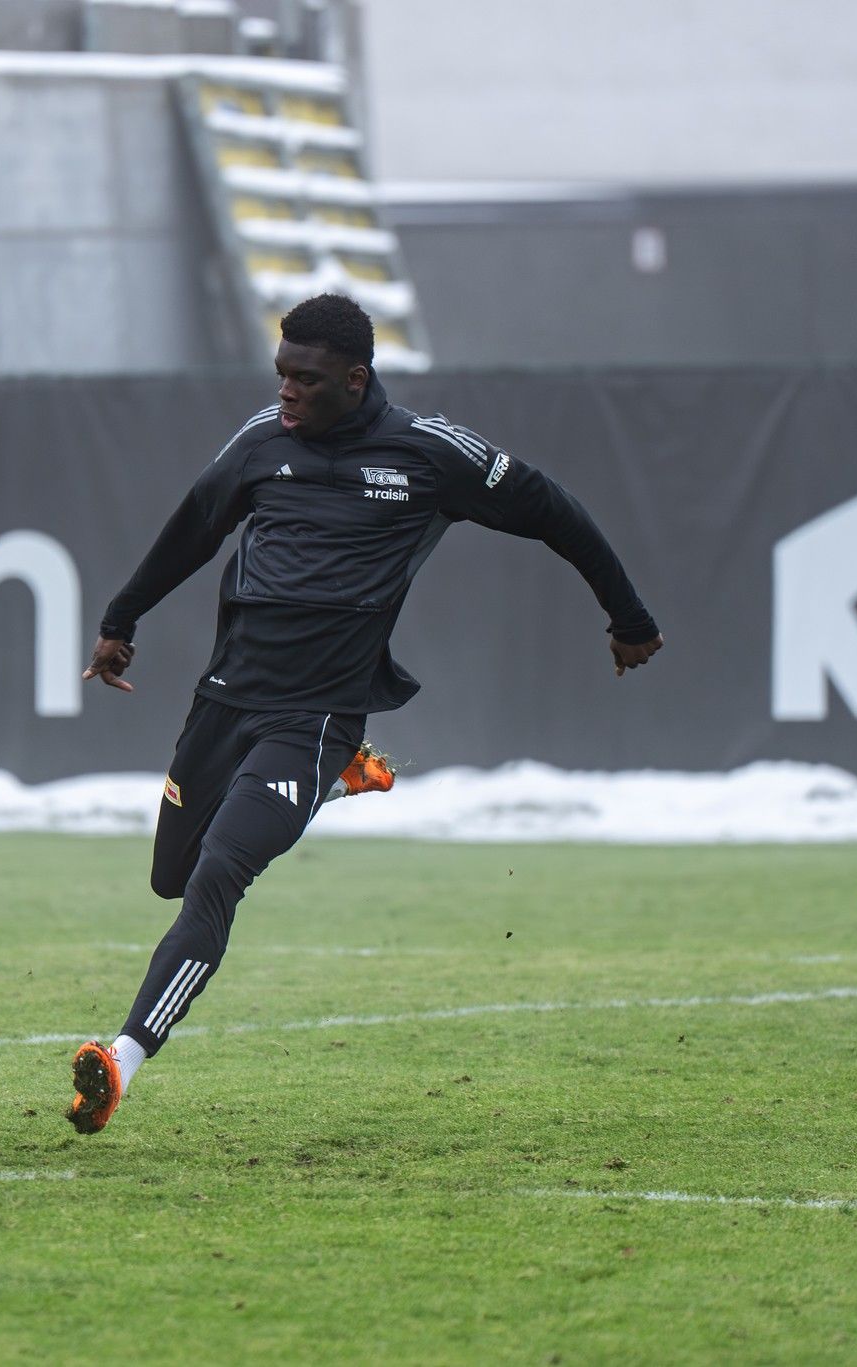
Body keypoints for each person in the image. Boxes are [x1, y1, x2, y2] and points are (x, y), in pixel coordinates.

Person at [64, 294, 663, 1132]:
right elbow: (194, 528)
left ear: (355, 379)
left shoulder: (430, 453)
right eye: (280, 373)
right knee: (172, 874)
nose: (286, 391)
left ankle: (121, 1061)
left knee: (217, 876)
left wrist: (627, 617)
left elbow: (553, 510)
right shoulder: (262, 441)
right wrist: (121, 620)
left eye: (305, 379)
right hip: (225, 700)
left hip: (315, 716)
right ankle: (339, 782)